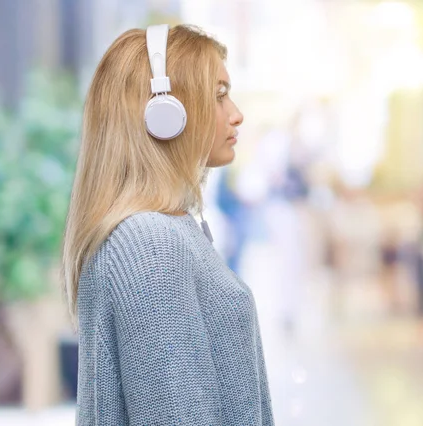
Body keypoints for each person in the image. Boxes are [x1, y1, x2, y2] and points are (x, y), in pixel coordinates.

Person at [61, 24, 274, 425]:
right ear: (163, 113)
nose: (237, 114)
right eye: (219, 95)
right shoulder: (150, 243)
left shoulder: (163, 231)